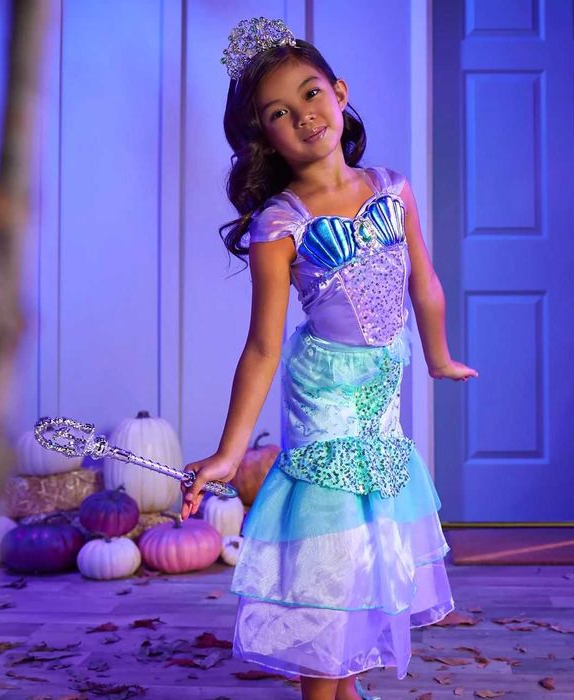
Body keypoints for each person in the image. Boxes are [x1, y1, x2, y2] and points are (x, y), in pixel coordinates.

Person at [180, 16, 478, 700]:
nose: (303, 116)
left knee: (368, 539)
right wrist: (228, 454)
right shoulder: (280, 223)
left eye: (311, 94)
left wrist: (437, 357)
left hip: (380, 388)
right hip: (326, 394)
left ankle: (344, 687)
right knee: (332, 549)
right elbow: (262, 346)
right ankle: (323, 689)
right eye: (279, 113)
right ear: (266, 137)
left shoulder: (392, 188)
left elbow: (424, 283)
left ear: (340, 93)